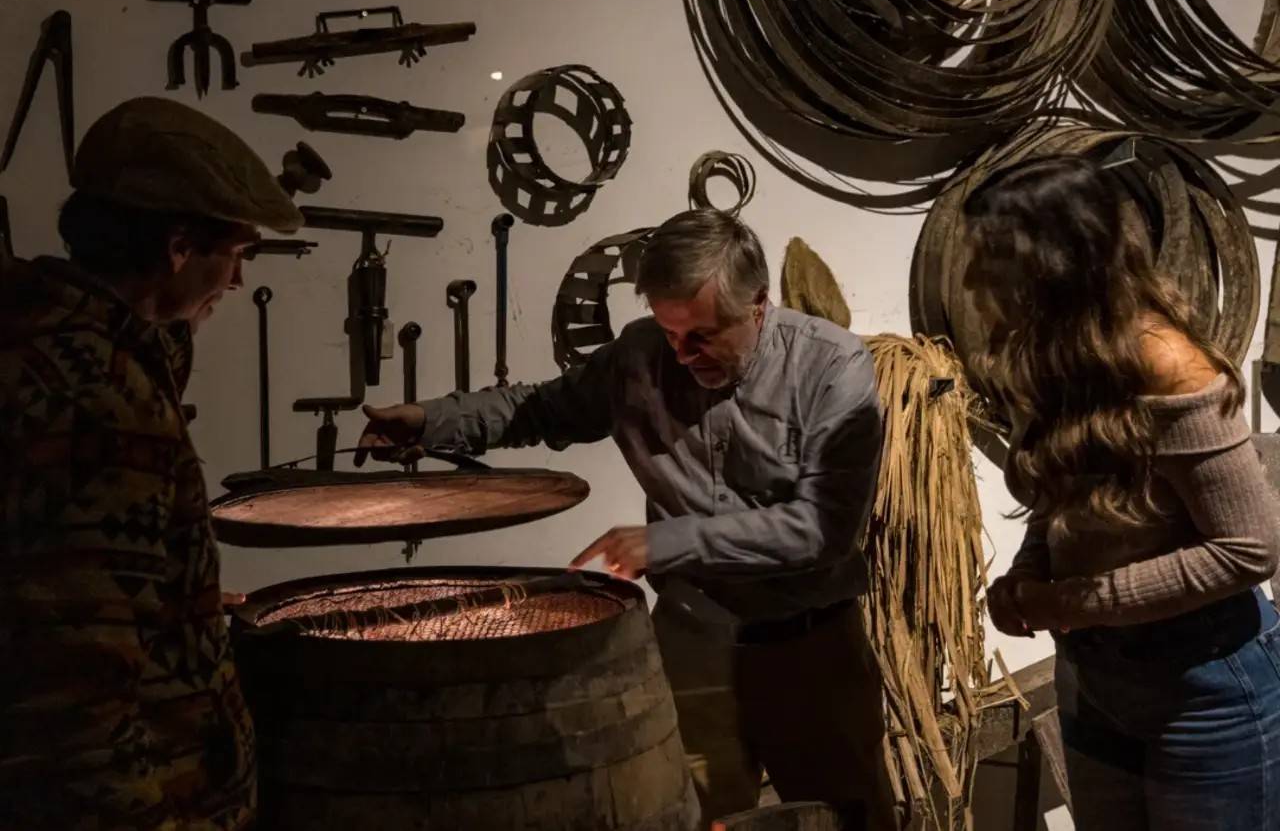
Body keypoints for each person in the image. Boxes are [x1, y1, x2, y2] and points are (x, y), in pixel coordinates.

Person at [356, 209, 894, 828]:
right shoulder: (640, 354)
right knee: (690, 816)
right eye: (671, 334)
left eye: (704, 336)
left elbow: (822, 528)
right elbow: (540, 409)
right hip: (693, 640)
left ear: (759, 305)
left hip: (809, 649)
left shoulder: (831, 366)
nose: (685, 355)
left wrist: (669, 541)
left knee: (848, 818)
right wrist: (430, 422)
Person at [0, 97, 302, 829]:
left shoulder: (46, 333)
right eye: (232, 254)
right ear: (176, 246)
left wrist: (181, 604)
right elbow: (76, 695)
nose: (234, 283)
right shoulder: (99, 398)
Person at [967, 155, 1280, 831]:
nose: (969, 281)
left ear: (1053, 263)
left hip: (1203, 687)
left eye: (987, 260)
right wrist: (1028, 576)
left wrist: (1077, 600)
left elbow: (1249, 548)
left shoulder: (1169, 365)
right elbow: (1064, 500)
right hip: (1098, 678)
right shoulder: (1061, 355)